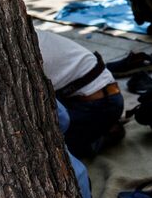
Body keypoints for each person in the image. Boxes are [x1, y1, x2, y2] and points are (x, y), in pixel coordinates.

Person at [37, 30, 124, 159]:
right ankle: (99, 129)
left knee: (50, 153)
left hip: (101, 104)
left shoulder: (24, 46)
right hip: (82, 96)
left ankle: (99, 135)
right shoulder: (27, 33)